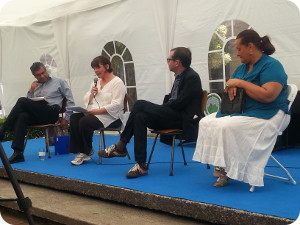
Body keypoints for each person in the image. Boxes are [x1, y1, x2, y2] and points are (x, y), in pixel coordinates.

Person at [193, 29, 289, 187]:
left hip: (270, 113)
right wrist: (230, 87)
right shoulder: (242, 68)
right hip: (245, 111)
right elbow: (231, 84)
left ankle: (233, 170)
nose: (236, 54)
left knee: (226, 126)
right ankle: (222, 165)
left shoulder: (272, 66)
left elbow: (268, 96)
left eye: (238, 49)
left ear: (250, 47)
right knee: (206, 122)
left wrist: (240, 83)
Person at [98, 47, 203, 178]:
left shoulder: (191, 77)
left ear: (177, 62)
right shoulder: (179, 77)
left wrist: (162, 108)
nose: (167, 62)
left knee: (139, 104)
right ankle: (141, 165)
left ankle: (122, 144)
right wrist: (163, 108)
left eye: (169, 59)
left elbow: (180, 103)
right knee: (140, 117)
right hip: (173, 114)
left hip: (182, 119)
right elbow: (174, 100)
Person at [0, 62, 75, 164]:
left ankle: (3, 129)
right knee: (22, 116)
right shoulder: (36, 85)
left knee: (22, 100)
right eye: (38, 75)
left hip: (51, 112)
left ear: (46, 69)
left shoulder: (59, 81)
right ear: (34, 76)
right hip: (38, 113)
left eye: (43, 73)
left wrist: (67, 118)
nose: (42, 76)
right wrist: (31, 90)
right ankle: (18, 153)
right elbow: (27, 105)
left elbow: (71, 101)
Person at [69, 56, 126, 166]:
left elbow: (117, 104)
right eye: (94, 68)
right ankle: (82, 150)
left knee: (85, 121)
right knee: (74, 118)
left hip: (112, 117)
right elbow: (86, 99)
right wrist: (92, 94)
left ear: (107, 66)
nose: (95, 71)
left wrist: (98, 111)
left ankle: (86, 151)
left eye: (97, 67)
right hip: (94, 114)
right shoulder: (96, 82)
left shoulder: (117, 82)